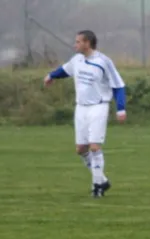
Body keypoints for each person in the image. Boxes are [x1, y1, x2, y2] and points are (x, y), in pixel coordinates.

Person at [44, 30, 127, 198]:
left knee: (94, 146)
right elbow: (65, 70)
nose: (75, 45)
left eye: (78, 42)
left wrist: (121, 108)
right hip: (81, 108)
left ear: (87, 43)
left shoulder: (103, 62)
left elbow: (118, 86)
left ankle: (97, 187)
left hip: (98, 106)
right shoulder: (77, 60)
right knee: (81, 149)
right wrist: (51, 75)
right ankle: (102, 179)